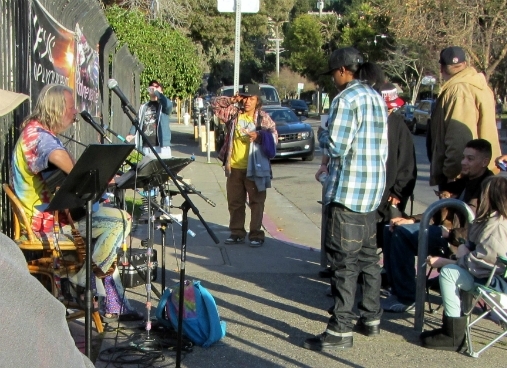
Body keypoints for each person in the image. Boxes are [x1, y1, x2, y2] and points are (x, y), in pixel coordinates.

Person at [11, 84, 141, 322]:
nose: (74, 114)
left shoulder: (37, 132)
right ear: (58, 108)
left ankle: (111, 300)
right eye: (71, 108)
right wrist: (80, 172)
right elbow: (57, 156)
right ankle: (84, 278)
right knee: (120, 222)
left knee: (110, 236)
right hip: (45, 225)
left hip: (56, 218)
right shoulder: (37, 137)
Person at [304, 46, 388, 351]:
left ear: (342, 71)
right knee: (368, 259)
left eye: (334, 74)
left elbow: (336, 145)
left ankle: (340, 329)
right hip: (371, 192)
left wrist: (323, 135)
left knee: (343, 263)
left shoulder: (346, 99)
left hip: (348, 192)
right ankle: (371, 317)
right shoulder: (375, 97)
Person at [382, 139, 494, 313]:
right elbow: (438, 211)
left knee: (401, 234)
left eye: (470, 159)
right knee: (392, 228)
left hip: (462, 243)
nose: (463, 162)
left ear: (484, 162)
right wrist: (411, 220)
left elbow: (485, 229)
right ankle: (395, 287)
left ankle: (407, 297)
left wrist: (450, 233)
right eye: (464, 157)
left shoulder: (488, 188)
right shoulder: (465, 181)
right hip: (446, 233)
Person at [421, 175, 507, 351]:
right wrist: (462, 249)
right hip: (489, 274)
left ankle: (453, 335)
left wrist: (448, 260)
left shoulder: (497, 226)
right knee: (452, 268)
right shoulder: (491, 219)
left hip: (494, 281)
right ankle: (452, 331)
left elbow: (485, 263)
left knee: (449, 272)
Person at [211, 83, 277, 247]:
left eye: (251, 99)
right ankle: (237, 232)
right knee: (235, 202)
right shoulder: (233, 114)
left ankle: (256, 234)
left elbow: (274, 137)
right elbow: (214, 105)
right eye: (245, 98)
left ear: (257, 100)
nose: (247, 102)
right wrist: (232, 99)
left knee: (256, 202)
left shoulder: (262, 118)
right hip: (234, 167)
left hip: (255, 168)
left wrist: (260, 136)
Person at [426, 46, 500, 189]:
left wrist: (452, 175)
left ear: (441, 68)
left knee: (460, 211)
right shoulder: (480, 86)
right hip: (482, 170)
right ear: (465, 64)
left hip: (464, 177)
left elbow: (459, 140)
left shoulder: (458, 90)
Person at [126, 79, 173, 158]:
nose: (153, 88)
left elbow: (168, 105)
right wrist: (131, 133)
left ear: (161, 90)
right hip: (146, 146)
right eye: (151, 86)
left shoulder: (163, 106)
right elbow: (137, 121)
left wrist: (157, 93)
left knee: (162, 169)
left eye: (156, 86)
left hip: (161, 146)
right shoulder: (144, 107)